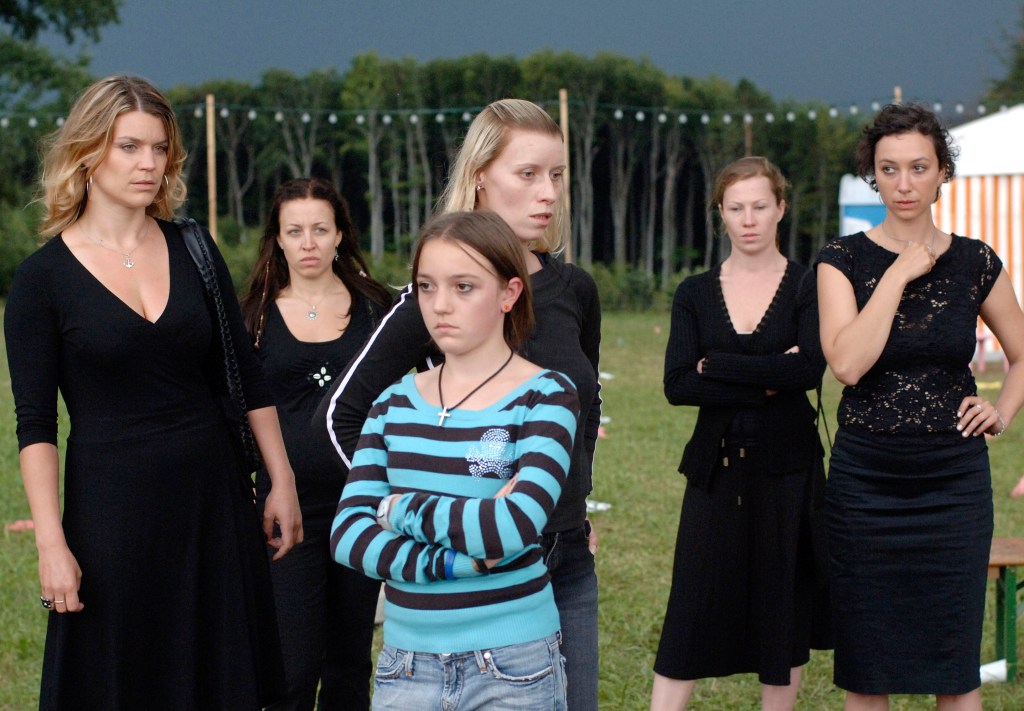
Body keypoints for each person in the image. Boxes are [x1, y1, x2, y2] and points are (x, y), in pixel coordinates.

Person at [3, 74, 302, 709]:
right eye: (130, 147)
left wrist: (281, 479)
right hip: (111, 514)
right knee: (124, 680)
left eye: (160, 149)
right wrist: (52, 546)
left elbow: (246, 373)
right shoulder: (41, 281)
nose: (149, 164)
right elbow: (34, 425)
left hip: (213, 500)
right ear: (88, 152)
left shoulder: (193, 246)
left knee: (222, 679)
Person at [318, 98, 602, 709]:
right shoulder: (438, 296)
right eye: (527, 174)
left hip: (564, 557)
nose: (547, 192)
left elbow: (586, 407)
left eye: (555, 175)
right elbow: (345, 416)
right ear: (480, 177)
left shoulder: (574, 288)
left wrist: (569, 493)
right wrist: (405, 510)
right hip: (451, 562)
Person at [816, 103, 1024, 710]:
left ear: (941, 174)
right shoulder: (841, 260)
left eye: (917, 168)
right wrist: (899, 273)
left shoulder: (977, 261)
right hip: (864, 484)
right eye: (888, 169)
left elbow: (1021, 354)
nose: (903, 184)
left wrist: (1003, 411)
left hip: (953, 484)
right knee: (867, 668)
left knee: (954, 667)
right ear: (872, 175)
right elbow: (848, 364)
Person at [651, 156, 831, 711]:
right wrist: (768, 374)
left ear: (781, 207)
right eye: (735, 208)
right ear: (720, 215)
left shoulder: (810, 283)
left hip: (790, 471)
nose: (748, 219)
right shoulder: (695, 293)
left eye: (759, 206)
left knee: (783, 607)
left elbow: (808, 371)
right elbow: (679, 384)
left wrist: (719, 366)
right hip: (716, 466)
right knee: (691, 606)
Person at [239, 178, 392, 710]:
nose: (308, 242)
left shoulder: (379, 310)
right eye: (295, 231)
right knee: (293, 663)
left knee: (350, 660)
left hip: (365, 506)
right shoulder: (252, 317)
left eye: (320, 229)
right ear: (277, 240)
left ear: (340, 235)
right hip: (286, 509)